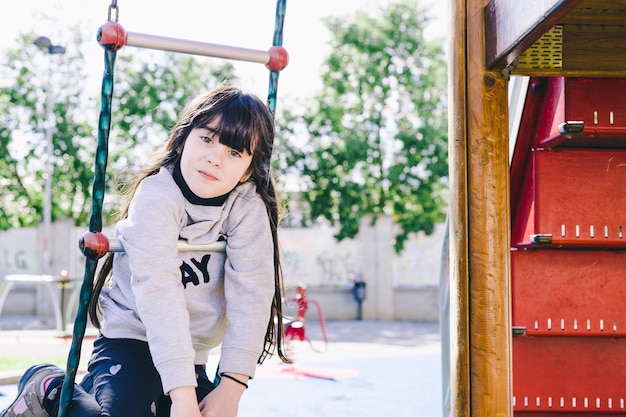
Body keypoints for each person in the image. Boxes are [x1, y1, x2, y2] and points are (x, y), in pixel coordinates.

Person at [1, 84, 291, 417]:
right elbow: (159, 293)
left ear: (249, 169)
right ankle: (48, 386)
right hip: (131, 339)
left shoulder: (247, 207)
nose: (215, 158)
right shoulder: (157, 196)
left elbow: (252, 293)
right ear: (184, 139)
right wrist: (182, 398)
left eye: (234, 153)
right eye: (207, 139)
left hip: (191, 353)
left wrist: (232, 386)